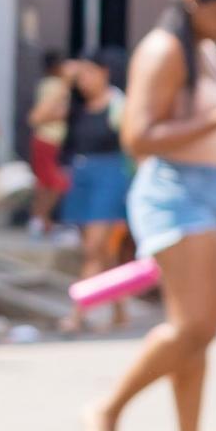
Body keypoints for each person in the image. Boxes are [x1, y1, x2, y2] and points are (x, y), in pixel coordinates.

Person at [84, 0, 216, 431]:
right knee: (190, 326)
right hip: (178, 191)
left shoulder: (202, 49)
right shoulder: (162, 50)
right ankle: (107, 409)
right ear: (192, 2)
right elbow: (138, 137)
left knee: (202, 329)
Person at [59, 50, 131, 335]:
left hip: (111, 177)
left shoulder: (118, 105)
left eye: (89, 73)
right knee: (103, 252)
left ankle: (77, 314)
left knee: (93, 249)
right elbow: (37, 117)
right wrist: (66, 84)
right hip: (82, 177)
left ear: (104, 73)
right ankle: (120, 310)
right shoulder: (76, 107)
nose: (85, 80)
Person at [26, 51, 72, 236]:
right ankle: (40, 219)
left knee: (46, 183)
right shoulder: (56, 85)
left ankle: (41, 219)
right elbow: (42, 115)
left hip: (50, 140)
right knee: (53, 182)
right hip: (48, 140)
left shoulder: (46, 84)